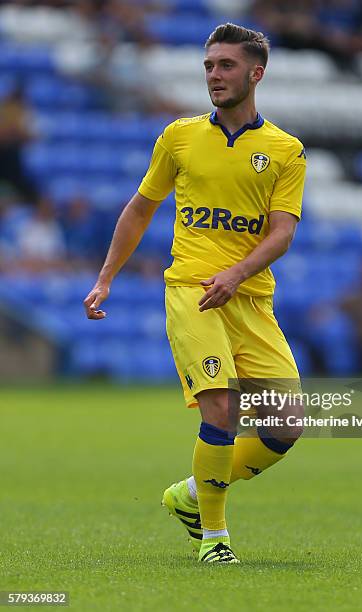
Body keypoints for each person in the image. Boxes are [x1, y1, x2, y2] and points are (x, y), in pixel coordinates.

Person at [83, 23, 307, 564]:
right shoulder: (179, 136)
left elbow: (281, 232)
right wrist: (107, 275)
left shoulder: (285, 150)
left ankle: (191, 492)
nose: (214, 75)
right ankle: (215, 538)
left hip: (249, 298)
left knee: (286, 423)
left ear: (256, 74)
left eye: (226, 66)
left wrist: (236, 274)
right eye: (209, 65)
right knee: (223, 408)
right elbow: (141, 207)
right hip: (191, 291)